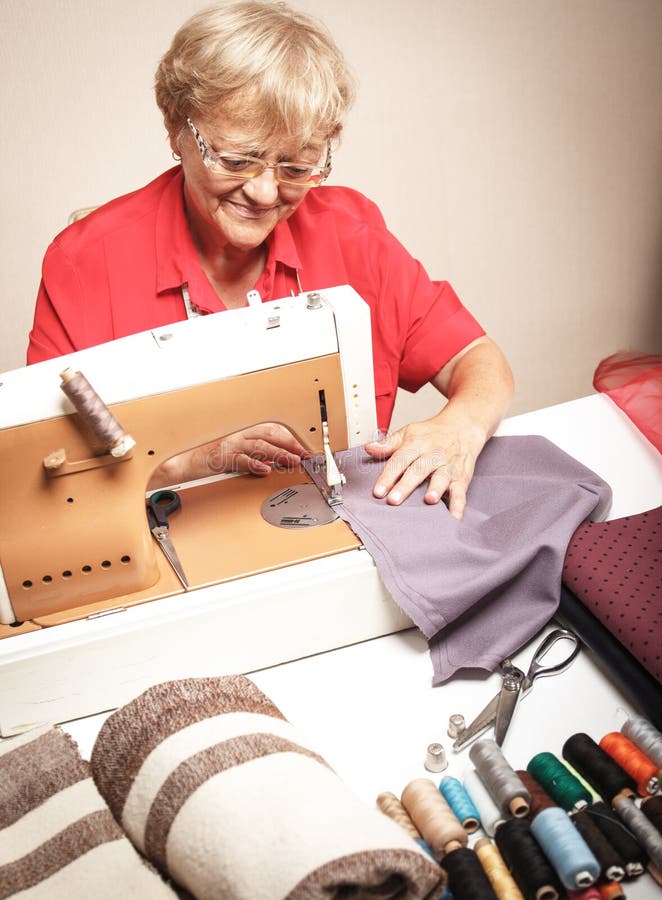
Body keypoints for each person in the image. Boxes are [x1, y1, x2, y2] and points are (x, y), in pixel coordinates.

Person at [27, 0, 514, 519]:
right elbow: (45, 466)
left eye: (296, 167)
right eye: (237, 160)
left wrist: (460, 426)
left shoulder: (350, 234)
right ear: (176, 130)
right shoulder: (86, 262)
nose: (263, 193)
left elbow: (477, 360)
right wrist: (193, 461)